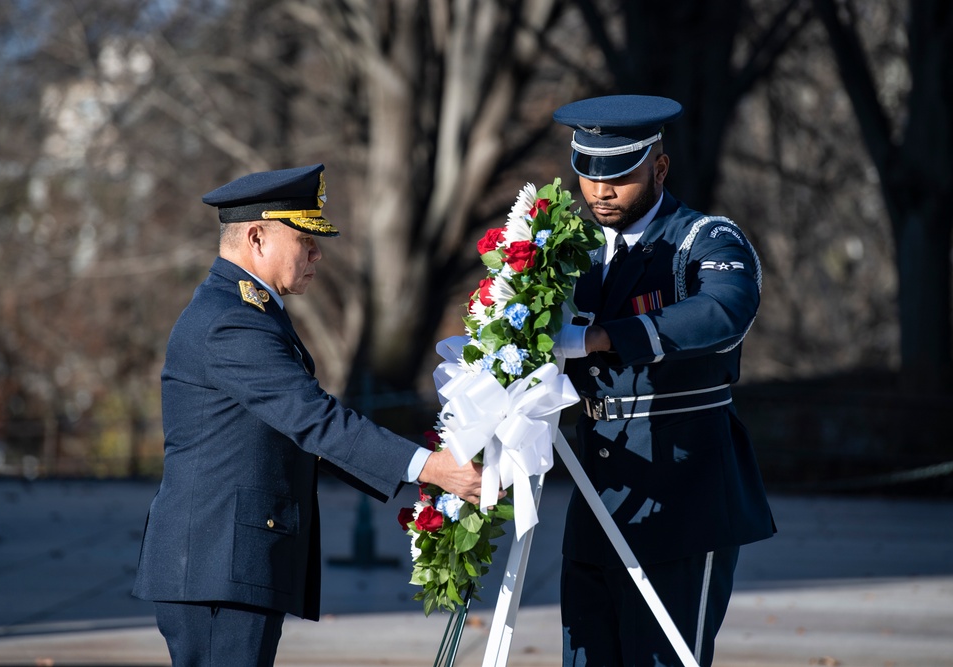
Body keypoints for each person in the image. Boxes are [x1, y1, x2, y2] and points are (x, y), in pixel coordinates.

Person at [131, 163, 484, 667]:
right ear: (256, 237)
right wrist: (432, 469)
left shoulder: (248, 312)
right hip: (215, 564)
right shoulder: (231, 322)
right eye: (305, 239)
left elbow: (301, 432)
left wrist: (425, 471)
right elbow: (313, 420)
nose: (317, 252)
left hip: (226, 562)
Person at [550, 95, 776, 666]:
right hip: (598, 496)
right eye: (588, 174)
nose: (600, 191)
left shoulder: (705, 239)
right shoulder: (568, 251)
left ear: (660, 167)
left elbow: (725, 311)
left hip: (685, 498)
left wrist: (606, 337)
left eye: (620, 175)